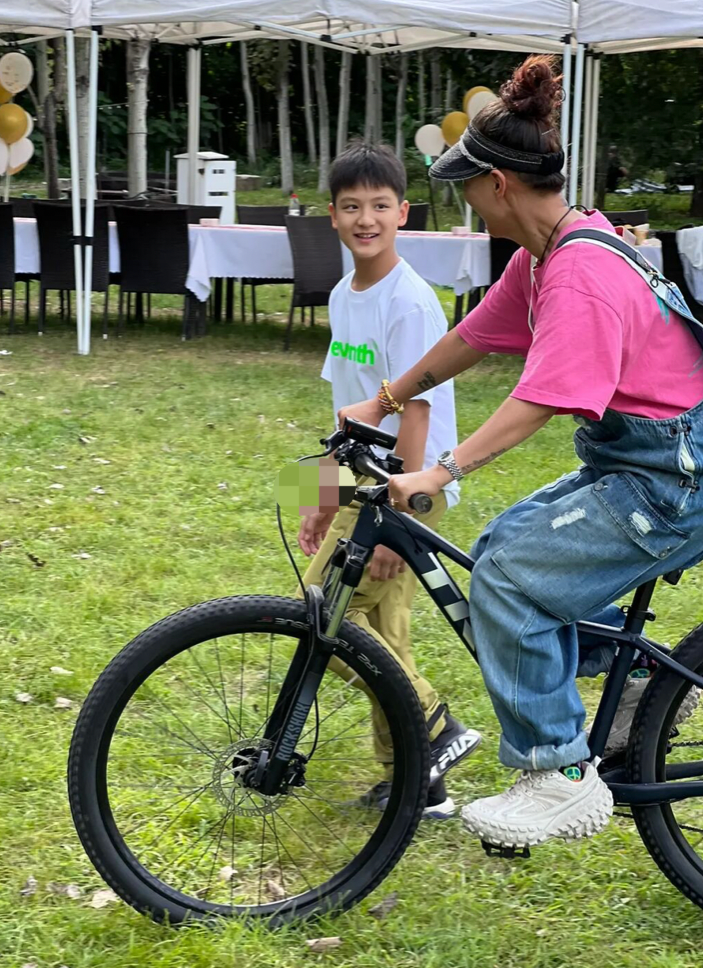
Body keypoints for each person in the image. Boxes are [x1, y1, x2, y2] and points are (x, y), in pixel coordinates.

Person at [338, 55, 703, 849]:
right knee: (504, 548)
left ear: (498, 183)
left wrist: (443, 468)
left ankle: (559, 775)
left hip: (671, 480)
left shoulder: (577, 273)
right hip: (642, 464)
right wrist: (385, 400)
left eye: (465, 186)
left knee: (507, 576)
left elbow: (542, 397)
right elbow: (472, 337)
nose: (462, 201)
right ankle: (636, 682)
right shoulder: (550, 253)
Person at [299, 141, 481, 820]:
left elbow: (418, 409)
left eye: (380, 205)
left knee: (316, 611)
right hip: (361, 478)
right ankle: (419, 779)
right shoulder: (346, 294)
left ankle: (434, 725)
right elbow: (343, 404)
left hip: (406, 485)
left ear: (403, 212)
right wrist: (316, 495)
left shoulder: (409, 302)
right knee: (386, 631)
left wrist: (393, 515)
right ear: (333, 215)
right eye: (352, 206)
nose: (365, 218)